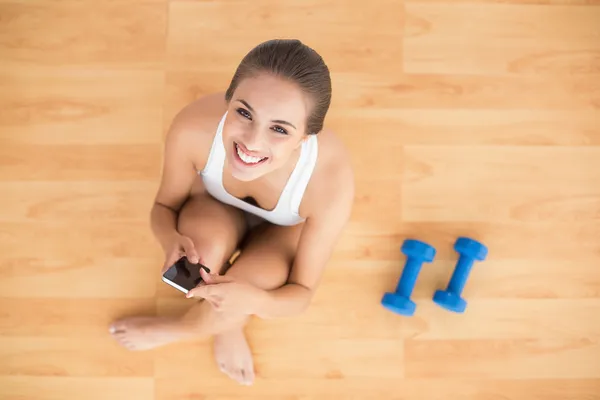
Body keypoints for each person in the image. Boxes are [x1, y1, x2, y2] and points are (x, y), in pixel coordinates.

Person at [109, 39, 355, 386]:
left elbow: (300, 294)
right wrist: (170, 239)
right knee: (201, 256)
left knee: (250, 287)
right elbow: (164, 207)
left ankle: (189, 327)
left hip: (280, 235)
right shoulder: (193, 128)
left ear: (304, 138)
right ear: (229, 100)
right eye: (243, 112)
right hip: (215, 209)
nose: (252, 143)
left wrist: (252, 301)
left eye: (280, 129)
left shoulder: (329, 183)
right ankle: (224, 322)